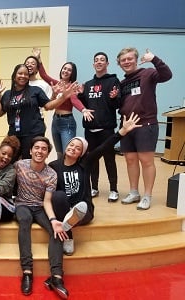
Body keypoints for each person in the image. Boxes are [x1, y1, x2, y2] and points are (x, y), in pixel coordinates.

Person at [43, 112, 141, 299]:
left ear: (82, 153)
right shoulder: (54, 166)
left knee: (80, 206)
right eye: (71, 145)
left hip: (83, 210)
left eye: (78, 148)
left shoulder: (85, 164)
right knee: (58, 196)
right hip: (64, 208)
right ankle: (68, 234)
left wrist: (121, 132)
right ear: (66, 146)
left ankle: (70, 223)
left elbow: (104, 147)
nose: (73, 148)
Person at [117, 48, 172, 210]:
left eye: (129, 59)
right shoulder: (122, 83)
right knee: (130, 160)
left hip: (145, 124)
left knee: (146, 161)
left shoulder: (148, 74)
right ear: (119, 64)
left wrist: (154, 58)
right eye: (123, 60)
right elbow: (121, 105)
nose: (126, 62)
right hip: (127, 126)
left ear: (136, 59)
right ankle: (134, 192)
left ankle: (147, 195)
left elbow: (167, 75)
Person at [14, 136, 69, 297]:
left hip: (39, 207)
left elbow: (46, 201)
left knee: (57, 231)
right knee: (24, 220)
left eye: (44, 149)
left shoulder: (51, 174)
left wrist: (53, 220)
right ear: (31, 151)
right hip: (22, 205)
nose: (40, 151)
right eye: (36, 148)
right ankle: (27, 271)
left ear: (48, 153)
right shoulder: (19, 165)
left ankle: (57, 277)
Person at [0, 64, 79, 159]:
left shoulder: (35, 90)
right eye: (20, 73)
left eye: (26, 74)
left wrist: (63, 97)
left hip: (33, 133)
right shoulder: (7, 94)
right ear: (14, 76)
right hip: (14, 135)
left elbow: (48, 106)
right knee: (10, 161)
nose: (23, 76)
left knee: (28, 162)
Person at [32, 48, 93, 158]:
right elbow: (44, 75)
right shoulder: (57, 84)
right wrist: (38, 58)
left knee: (68, 154)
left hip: (67, 123)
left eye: (69, 70)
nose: (65, 71)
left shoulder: (72, 87)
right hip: (55, 121)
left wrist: (83, 110)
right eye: (64, 68)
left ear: (72, 73)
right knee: (60, 154)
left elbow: (74, 100)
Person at [77, 52, 121, 202]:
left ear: (107, 64)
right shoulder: (88, 84)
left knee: (109, 159)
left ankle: (114, 189)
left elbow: (117, 105)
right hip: (90, 130)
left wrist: (115, 98)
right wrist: (81, 95)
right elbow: (84, 105)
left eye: (102, 60)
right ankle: (94, 187)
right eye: (96, 60)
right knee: (92, 159)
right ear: (93, 64)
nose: (99, 62)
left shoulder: (114, 81)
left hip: (106, 129)